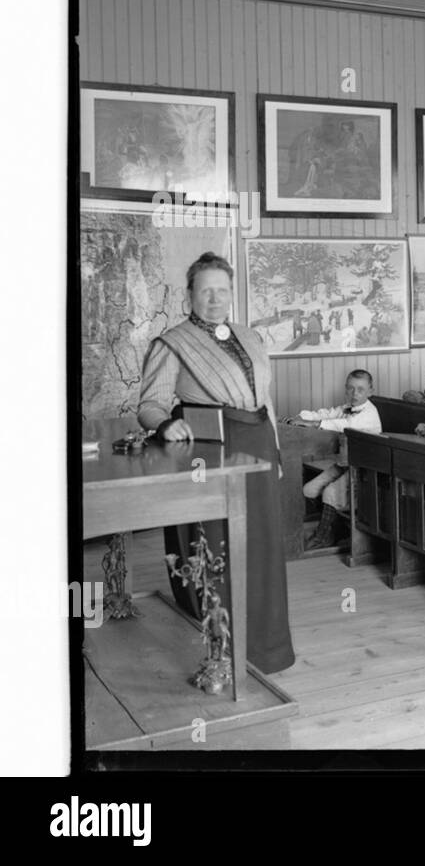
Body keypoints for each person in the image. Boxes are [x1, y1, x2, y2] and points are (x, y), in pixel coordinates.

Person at [136, 252, 294, 673]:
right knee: (215, 546)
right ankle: (217, 649)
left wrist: (275, 452)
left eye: (221, 290)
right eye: (205, 290)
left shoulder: (250, 336)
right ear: (189, 294)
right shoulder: (171, 342)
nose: (214, 298)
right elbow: (150, 404)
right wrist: (165, 424)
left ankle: (267, 648)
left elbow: (265, 401)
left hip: (258, 447)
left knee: (260, 544)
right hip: (209, 451)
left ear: (231, 293)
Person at [290, 369, 383, 550]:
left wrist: (314, 424)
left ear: (371, 391)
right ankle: (338, 528)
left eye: (360, 389)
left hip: (363, 470)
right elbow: (327, 414)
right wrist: (302, 418)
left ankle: (324, 536)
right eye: (350, 389)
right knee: (309, 489)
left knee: (330, 492)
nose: (354, 394)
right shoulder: (346, 407)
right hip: (344, 463)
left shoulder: (369, 414)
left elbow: (344, 425)